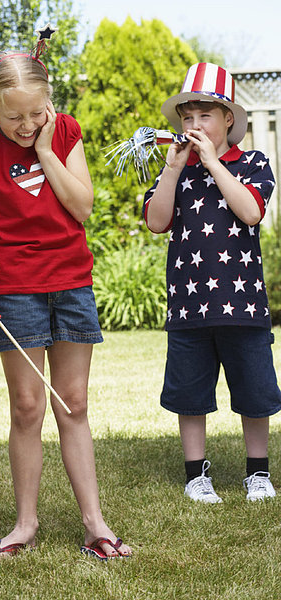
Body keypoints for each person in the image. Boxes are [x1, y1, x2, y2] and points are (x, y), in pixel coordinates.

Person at [0, 34, 131, 559]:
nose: (27, 125)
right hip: (17, 292)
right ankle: (25, 524)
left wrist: (43, 150)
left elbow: (82, 207)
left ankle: (95, 525)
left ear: (48, 104)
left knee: (73, 403)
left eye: (36, 114)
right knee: (28, 407)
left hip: (71, 284)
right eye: (14, 118)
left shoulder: (64, 133)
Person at [143, 62, 281, 503]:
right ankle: (195, 474)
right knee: (190, 393)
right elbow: (156, 221)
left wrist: (212, 164)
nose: (194, 125)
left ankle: (257, 472)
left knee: (255, 391)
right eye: (187, 118)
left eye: (205, 116)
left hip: (244, 305)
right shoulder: (175, 170)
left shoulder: (254, 163)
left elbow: (251, 211)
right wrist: (172, 169)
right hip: (189, 305)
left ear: (228, 120)